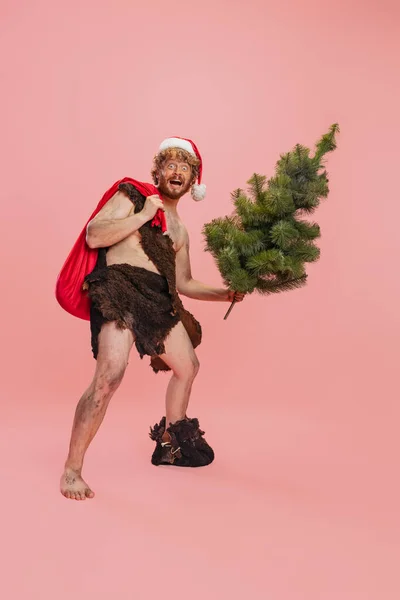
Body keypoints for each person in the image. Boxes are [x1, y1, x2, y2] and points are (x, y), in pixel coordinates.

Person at [59, 137, 245, 500]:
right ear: (158, 172)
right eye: (171, 165)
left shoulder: (180, 230)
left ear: (194, 181)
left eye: (186, 167)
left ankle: (169, 443)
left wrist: (225, 293)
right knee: (109, 375)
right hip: (118, 285)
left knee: (188, 366)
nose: (177, 171)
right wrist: (144, 215)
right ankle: (72, 469)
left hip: (155, 299)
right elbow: (94, 235)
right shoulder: (132, 195)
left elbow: (183, 283)